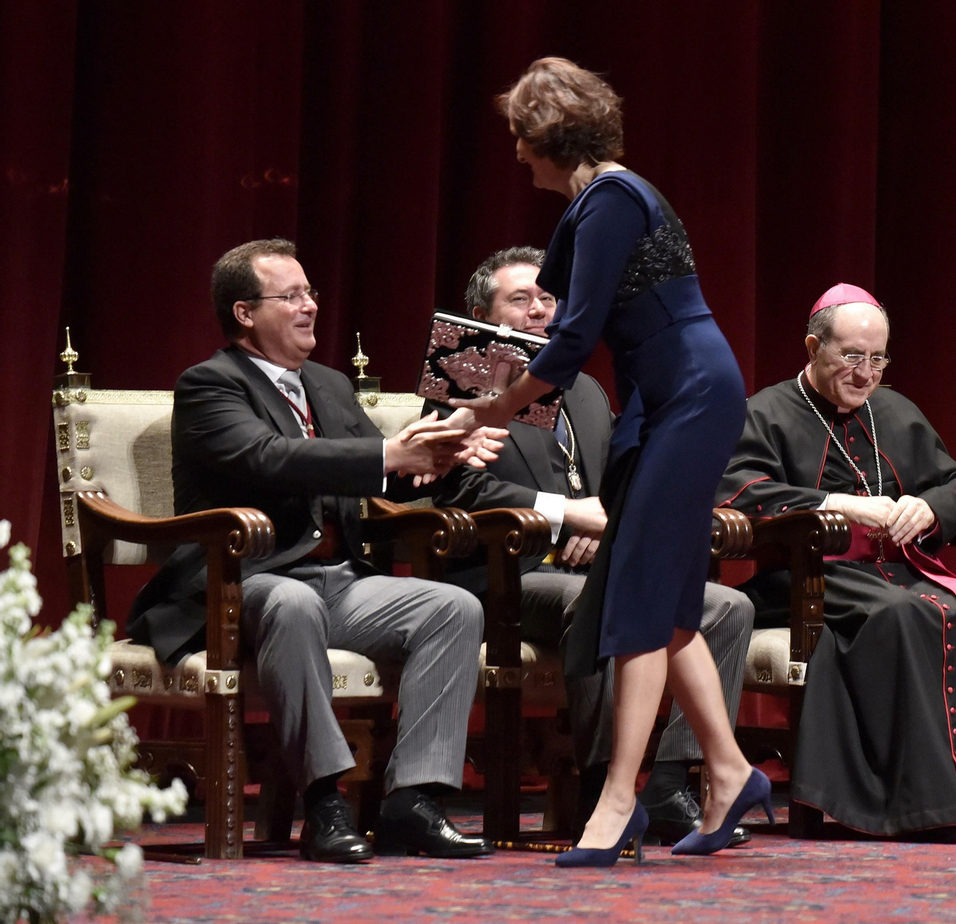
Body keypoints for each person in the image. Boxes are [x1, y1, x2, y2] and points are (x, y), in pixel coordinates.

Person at [449, 58, 759, 867]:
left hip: (689, 395)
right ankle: (728, 771)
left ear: (551, 136)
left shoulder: (612, 199)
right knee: (666, 593)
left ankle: (620, 798)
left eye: (522, 138)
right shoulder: (602, 200)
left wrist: (497, 406)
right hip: (662, 400)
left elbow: (576, 336)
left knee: (637, 593)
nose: (517, 156)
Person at [128, 239, 500, 863]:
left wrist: (439, 452)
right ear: (245, 313)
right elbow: (268, 458)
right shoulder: (209, 385)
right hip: (240, 579)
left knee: (451, 606)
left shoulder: (326, 384)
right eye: (292, 295)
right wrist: (388, 454)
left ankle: (414, 799)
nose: (310, 307)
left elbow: (377, 475)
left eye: (311, 294)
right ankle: (326, 801)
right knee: (294, 602)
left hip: (339, 579)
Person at [717, 283, 956, 843]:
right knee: (904, 615)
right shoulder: (765, 411)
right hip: (806, 579)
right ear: (812, 347)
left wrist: (926, 506)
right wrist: (838, 504)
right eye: (851, 356)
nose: (866, 373)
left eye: (877, 358)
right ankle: (924, 807)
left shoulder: (894, 410)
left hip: (897, 571)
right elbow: (738, 492)